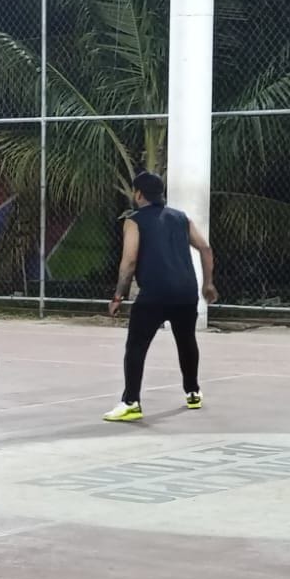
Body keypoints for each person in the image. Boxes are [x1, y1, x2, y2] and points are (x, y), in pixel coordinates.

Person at [103, 170, 217, 423]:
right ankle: (193, 392)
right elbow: (205, 248)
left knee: (136, 346)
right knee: (186, 341)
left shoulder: (134, 220)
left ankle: (131, 401)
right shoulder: (180, 218)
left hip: (154, 293)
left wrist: (118, 296)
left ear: (139, 194)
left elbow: (129, 261)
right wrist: (208, 284)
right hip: (186, 292)